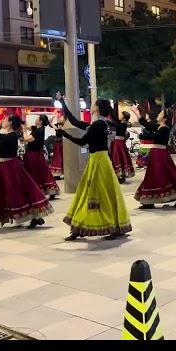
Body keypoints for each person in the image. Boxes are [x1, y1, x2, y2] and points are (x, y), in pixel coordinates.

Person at [55, 92, 131, 241]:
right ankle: (81, 227)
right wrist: (63, 102)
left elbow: (82, 142)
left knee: (98, 195)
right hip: (97, 161)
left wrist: (64, 133)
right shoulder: (98, 124)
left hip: (99, 162)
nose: (91, 106)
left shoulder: (99, 125)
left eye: (93, 104)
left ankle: (109, 226)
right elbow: (75, 121)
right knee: (90, 194)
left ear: (97, 109)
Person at [0, 115, 53, 229]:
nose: (3, 121)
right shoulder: (9, 136)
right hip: (5, 168)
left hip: (10, 168)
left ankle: (36, 217)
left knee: (15, 193)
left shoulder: (11, 136)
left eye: (5, 120)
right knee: (0, 192)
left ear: (10, 123)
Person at [131, 104, 176, 209]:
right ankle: (149, 201)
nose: (158, 115)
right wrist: (137, 113)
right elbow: (147, 125)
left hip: (160, 155)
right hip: (156, 154)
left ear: (164, 118)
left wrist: (139, 135)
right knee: (153, 175)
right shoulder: (159, 127)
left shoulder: (165, 129)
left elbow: (153, 136)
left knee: (164, 175)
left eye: (160, 114)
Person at [22, 114, 60, 200]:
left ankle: (36, 190)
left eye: (37, 118)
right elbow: (29, 127)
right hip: (36, 154)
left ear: (40, 121)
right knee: (42, 172)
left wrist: (24, 131)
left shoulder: (39, 131)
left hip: (34, 155)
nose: (36, 119)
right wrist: (23, 125)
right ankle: (47, 190)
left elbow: (27, 139)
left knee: (36, 172)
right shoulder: (38, 129)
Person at [110, 111, 135, 183]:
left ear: (124, 117)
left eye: (121, 115)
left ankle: (120, 176)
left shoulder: (123, 124)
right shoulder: (123, 123)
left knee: (118, 158)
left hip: (118, 143)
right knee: (121, 158)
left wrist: (109, 122)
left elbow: (116, 125)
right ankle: (121, 176)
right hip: (119, 142)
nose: (119, 116)